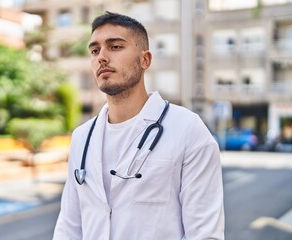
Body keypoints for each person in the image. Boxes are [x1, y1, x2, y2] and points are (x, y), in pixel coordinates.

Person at [53, 12, 224, 240]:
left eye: (115, 47)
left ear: (145, 60)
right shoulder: (82, 137)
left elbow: (204, 234)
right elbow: (69, 227)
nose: (102, 57)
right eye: (95, 50)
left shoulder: (187, 130)